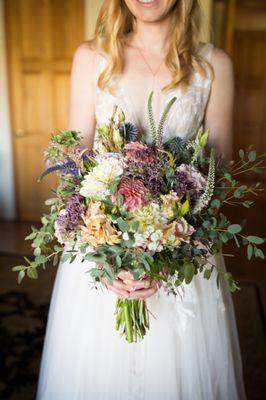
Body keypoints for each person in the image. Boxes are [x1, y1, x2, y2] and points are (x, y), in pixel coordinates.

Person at [37, 1, 247, 399]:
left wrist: (169, 250)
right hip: (102, 251)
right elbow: (74, 161)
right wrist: (104, 245)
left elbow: (218, 170)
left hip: (183, 249)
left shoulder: (214, 64)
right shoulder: (91, 57)